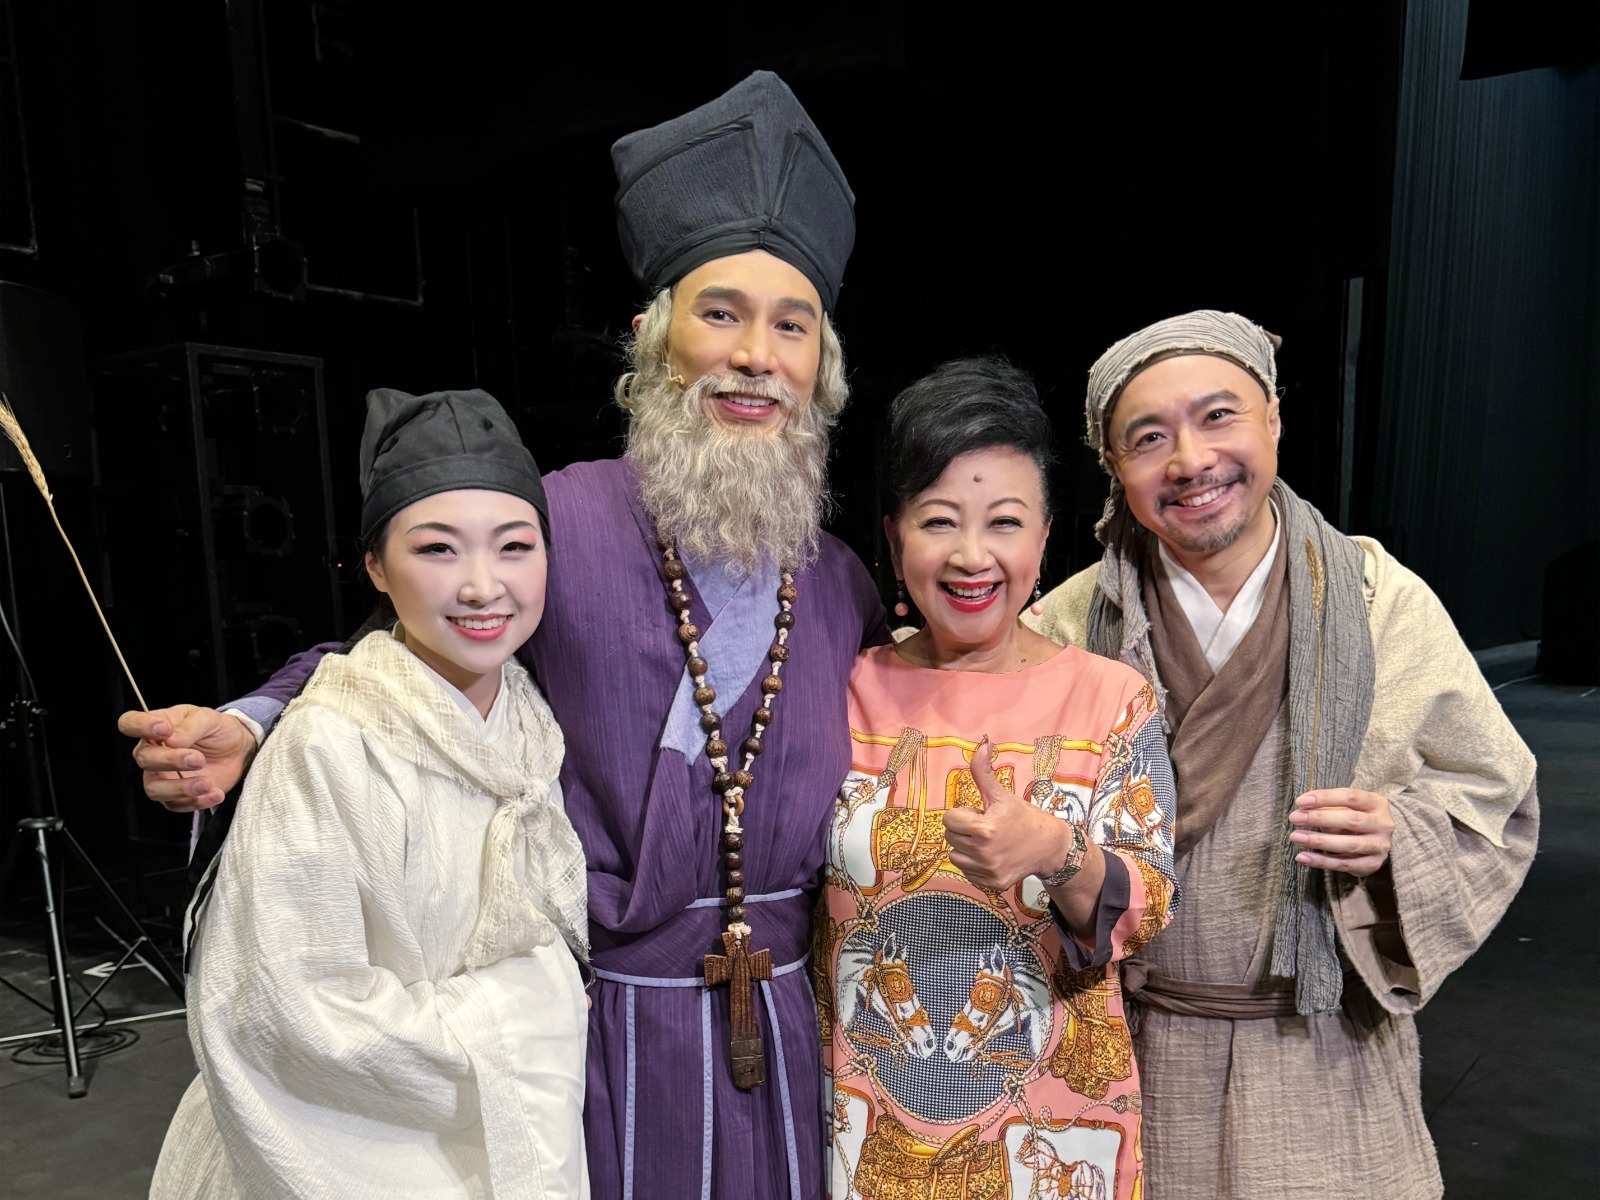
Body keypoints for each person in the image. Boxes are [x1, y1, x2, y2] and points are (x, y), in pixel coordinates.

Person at [121, 72, 884, 1199]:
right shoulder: (557, 522)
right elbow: (399, 651)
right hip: (594, 1037)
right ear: (654, 339)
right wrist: (254, 720)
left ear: (822, 367)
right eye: (720, 313)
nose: (755, 355)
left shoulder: (843, 583)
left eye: (792, 325)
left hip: (785, 1037)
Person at [1027, 310, 1540, 1198]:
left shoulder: (1377, 601)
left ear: (1272, 417)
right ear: (1113, 465)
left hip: (1327, 1051)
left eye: (1218, 416)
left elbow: (1494, 797)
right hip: (1127, 1058)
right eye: (1149, 438)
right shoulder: (1067, 625)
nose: (1191, 460)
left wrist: (1399, 837)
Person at [149, 389, 590, 1198]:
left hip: (496, 1137)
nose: (482, 585)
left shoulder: (529, 719)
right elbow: (288, 1013)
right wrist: (531, 1012)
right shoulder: (330, 742)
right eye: (438, 549)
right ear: (377, 567)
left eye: (515, 546)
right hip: (349, 1153)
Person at [818, 358, 1178, 1200]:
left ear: (1045, 536)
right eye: (939, 521)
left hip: (1048, 1137)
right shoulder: (840, 688)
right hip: (865, 1129)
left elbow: (1149, 906)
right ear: (893, 539)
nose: (972, 555)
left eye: (1004, 522)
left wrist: (1056, 851)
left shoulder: (1110, 698)